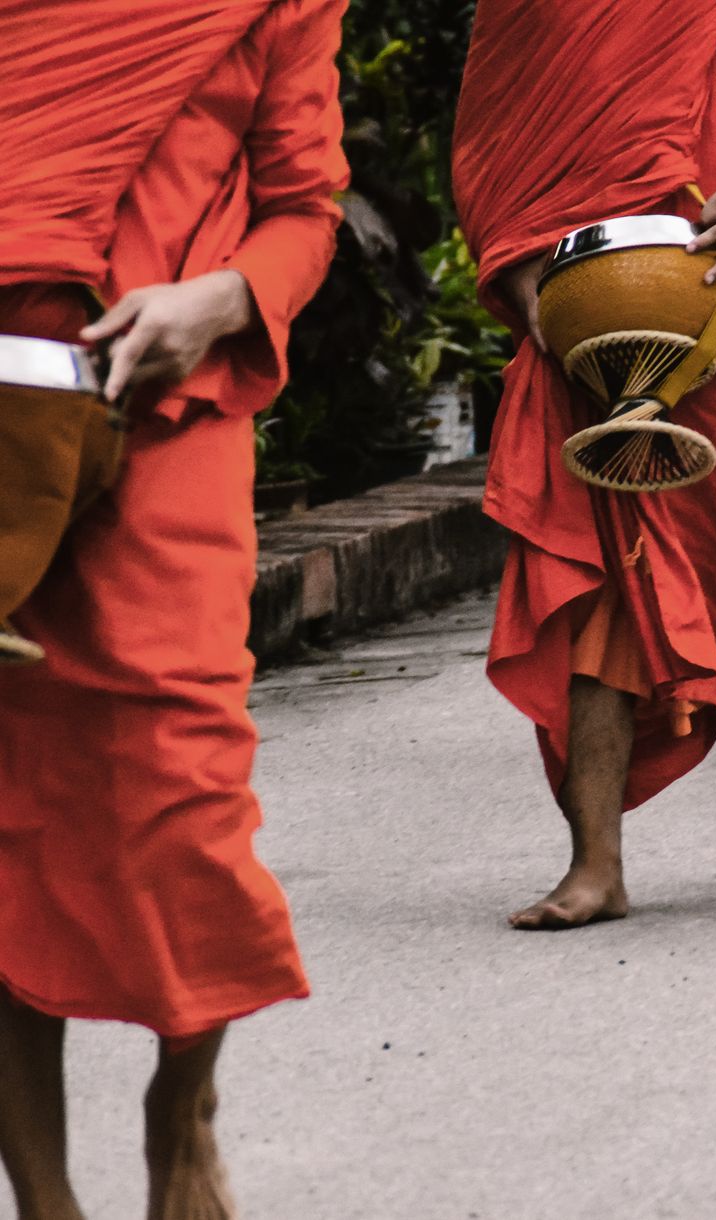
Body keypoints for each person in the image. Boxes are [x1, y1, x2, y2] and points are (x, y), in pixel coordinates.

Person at [0, 3, 347, 1217]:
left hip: (167, 417)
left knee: (185, 784)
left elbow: (306, 207)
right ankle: (42, 1196)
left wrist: (222, 299)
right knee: (5, 804)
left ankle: (179, 1102)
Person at [452, 1, 716, 930]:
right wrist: (513, 259)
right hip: (591, 301)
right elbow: (495, 121)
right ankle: (595, 861)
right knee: (600, 572)